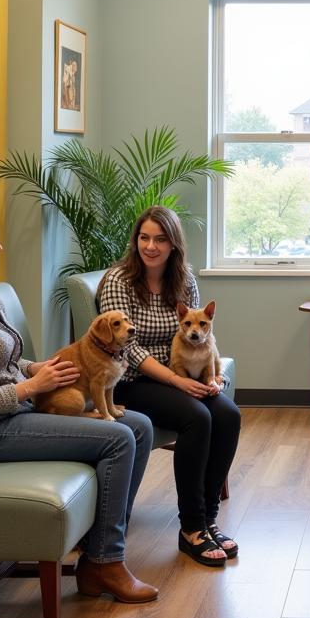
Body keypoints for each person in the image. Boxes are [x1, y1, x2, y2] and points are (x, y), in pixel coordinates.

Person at [0, 205, 158, 603]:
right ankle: (104, 562)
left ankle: (99, 552)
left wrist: (34, 367)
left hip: (11, 414)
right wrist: (31, 387)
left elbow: (3, 362)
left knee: (140, 427)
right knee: (118, 439)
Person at [98, 205, 242, 567]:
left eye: (160, 239)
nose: (151, 246)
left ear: (173, 244)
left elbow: (201, 329)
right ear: (136, 241)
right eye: (144, 238)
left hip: (182, 375)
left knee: (228, 415)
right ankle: (191, 528)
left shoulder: (184, 279)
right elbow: (125, 348)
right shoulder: (118, 280)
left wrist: (213, 373)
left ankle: (208, 519)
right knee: (198, 418)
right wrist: (177, 381)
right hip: (132, 381)